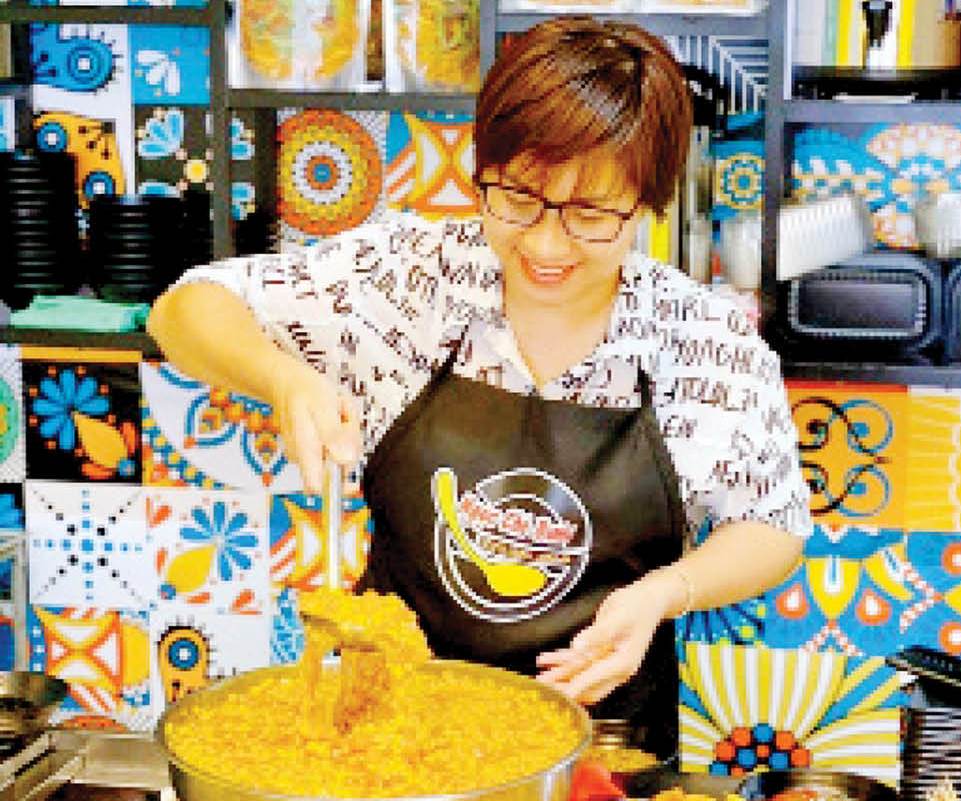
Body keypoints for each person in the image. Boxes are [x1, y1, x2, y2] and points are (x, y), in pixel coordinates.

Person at [148, 15, 811, 757]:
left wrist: (664, 594)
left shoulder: (702, 337)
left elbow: (773, 526)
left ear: (648, 204)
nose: (546, 243)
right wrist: (281, 375)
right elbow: (182, 311)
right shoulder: (408, 275)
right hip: (386, 729)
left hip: (599, 741)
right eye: (518, 198)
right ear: (482, 171)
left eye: (590, 214)